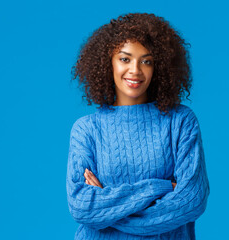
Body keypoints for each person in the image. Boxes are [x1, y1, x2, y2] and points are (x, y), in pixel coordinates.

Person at [66, 12, 210, 240]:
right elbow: (82, 206)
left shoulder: (180, 121)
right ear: (107, 62)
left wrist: (108, 206)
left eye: (146, 61)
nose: (135, 70)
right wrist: (161, 187)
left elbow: (192, 200)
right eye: (125, 59)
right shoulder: (87, 129)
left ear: (159, 67)